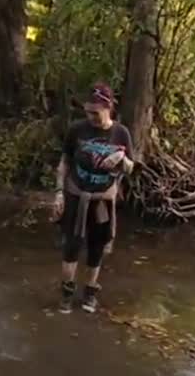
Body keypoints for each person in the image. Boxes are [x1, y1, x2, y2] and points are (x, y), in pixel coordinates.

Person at [51, 82, 135, 313]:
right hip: (76, 195)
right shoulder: (77, 130)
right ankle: (67, 294)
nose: (91, 117)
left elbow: (130, 168)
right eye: (87, 112)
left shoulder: (121, 133)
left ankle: (89, 293)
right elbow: (64, 161)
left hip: (103, 201)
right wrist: (59, 193)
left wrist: (120, 157)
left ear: (109, 108)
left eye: (95, 113)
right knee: (71, 245)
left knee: (97, 247)